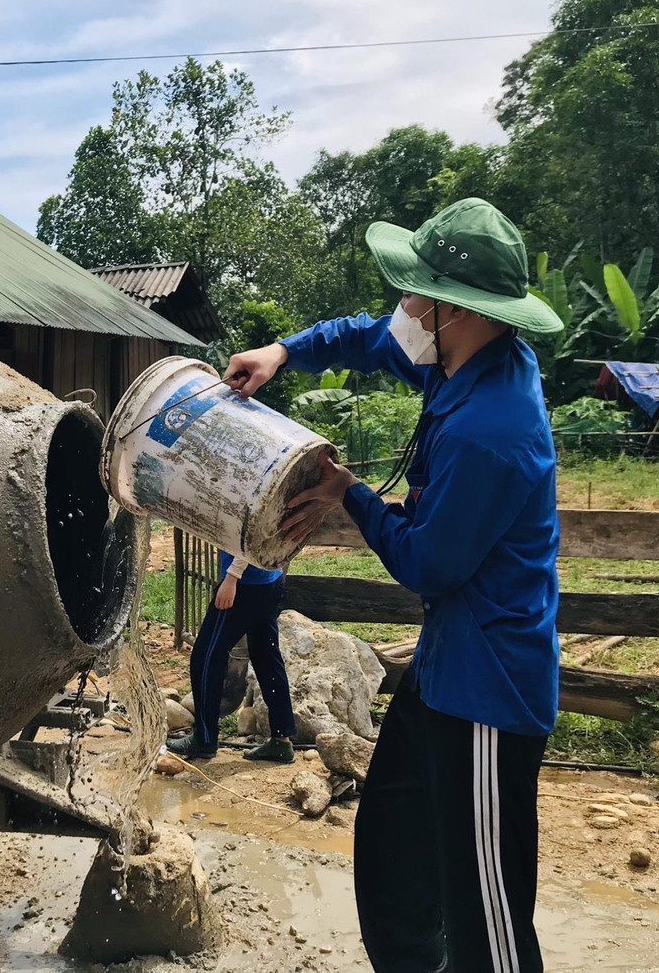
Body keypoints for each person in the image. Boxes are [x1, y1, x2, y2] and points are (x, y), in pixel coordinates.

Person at [227, 198, 563, 973]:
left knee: (489, 920)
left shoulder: (495, 429)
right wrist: (283, 349)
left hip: (488, 693)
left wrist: (350, 492)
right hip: (449, 665)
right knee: (393, 845)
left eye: (414, 293)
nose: (401, 308)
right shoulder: (463, 357)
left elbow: (426, 565)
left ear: (454, 307)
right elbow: (369, 338)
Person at [167, 550, 297, 764]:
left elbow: (251, 536)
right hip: (270, 579)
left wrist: (231, 578)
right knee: (267, 658)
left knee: (206, 656)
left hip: (246, 583)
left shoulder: (239, 577)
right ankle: (282, 740)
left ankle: (205, 739)